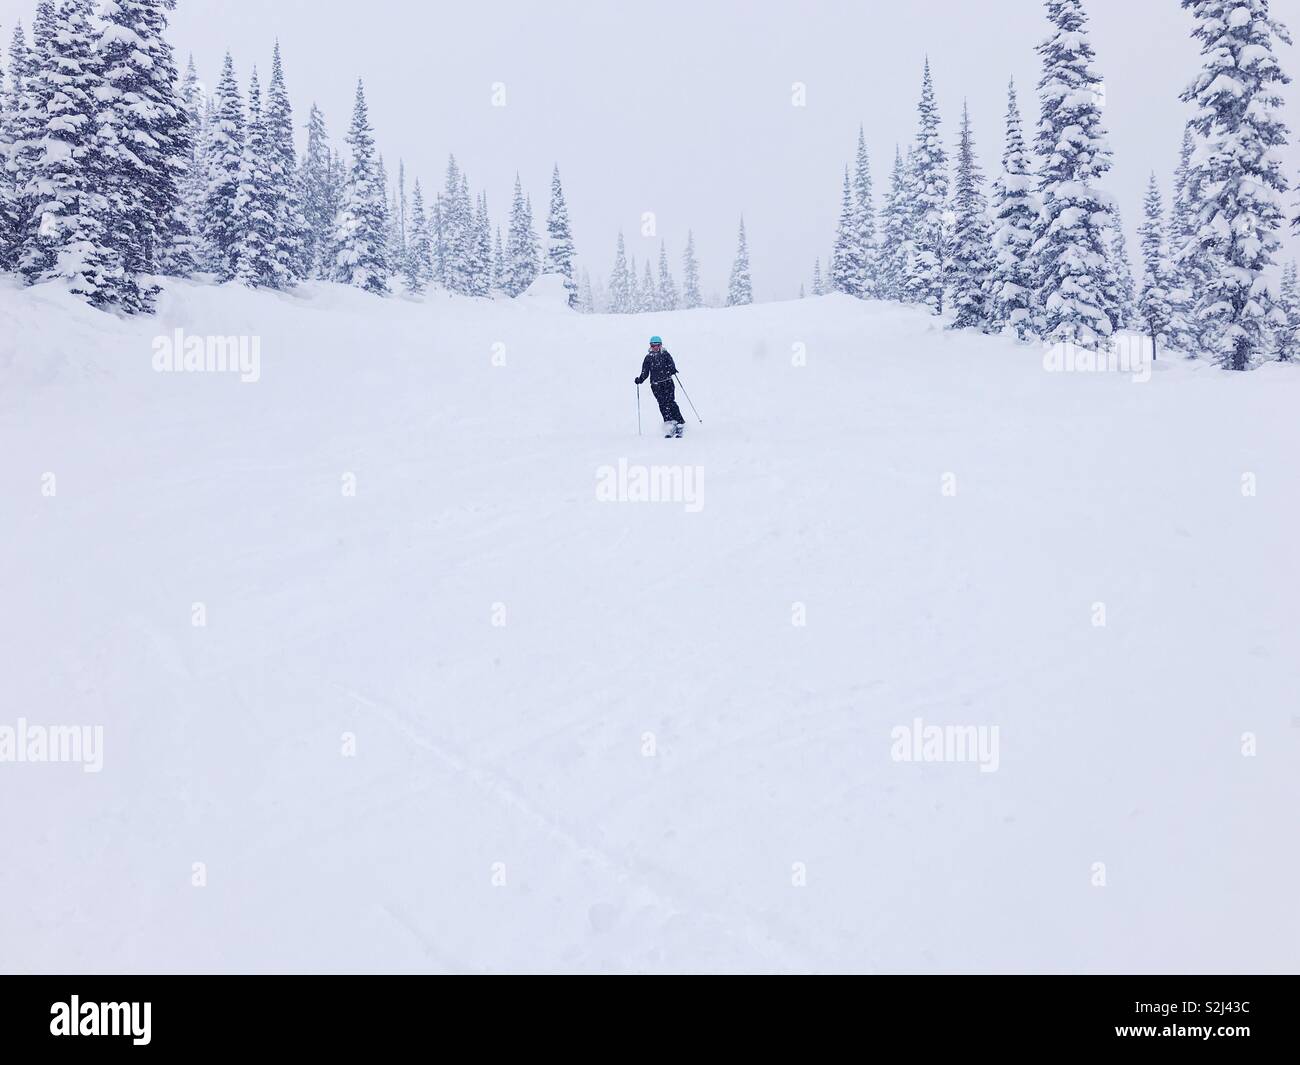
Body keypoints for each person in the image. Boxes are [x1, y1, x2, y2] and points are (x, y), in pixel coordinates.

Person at [634, 336, 685, 438]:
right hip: (656, 385)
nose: (655, 347)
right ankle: (669, 424)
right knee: (662, 404)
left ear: (660, 345)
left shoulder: (665, 354)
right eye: (653, 346)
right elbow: (645, 372)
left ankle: (679, 422)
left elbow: (671, 364)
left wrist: (672, 369)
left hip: (667, 382)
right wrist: (640, 379)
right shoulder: (648, 358)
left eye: (657, 345)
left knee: (670, 402)